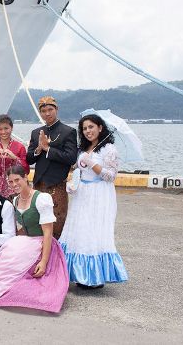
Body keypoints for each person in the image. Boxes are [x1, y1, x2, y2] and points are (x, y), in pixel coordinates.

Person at [0, 165, 69, 313]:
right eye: (10, 182)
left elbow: (48, 232)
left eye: (17, 180)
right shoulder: (16, 199)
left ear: (26, 177)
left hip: (42, 243)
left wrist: (43, 262)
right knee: (1, 264)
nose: (14, 184)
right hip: (26, 241)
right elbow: (21, 230)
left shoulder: (41, 198)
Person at [60, 114, 128, 289]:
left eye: (91, 127)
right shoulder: (83, 148)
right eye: (84, 128)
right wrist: (73, 182)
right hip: (82, 193)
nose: (88, 131)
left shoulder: (109, 149)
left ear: (100, 127)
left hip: (99, 195)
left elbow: (110, 176)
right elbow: (78, 171)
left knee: (94, 231)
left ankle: (94, 276)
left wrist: (92, 164)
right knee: (79, 230)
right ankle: (76, 273)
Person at [26, 96, 77, 239]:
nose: (47, 113)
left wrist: (48, 149)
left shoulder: (68, 132)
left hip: (57, 185)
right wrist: (38, 149)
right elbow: (29, 159)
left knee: (56, 225)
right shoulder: (36, 132)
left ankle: (56, 257)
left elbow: (71, 158)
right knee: (36, 223)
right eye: (43, 111)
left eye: (50, 109)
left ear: (56, 109)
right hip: (38, 185)